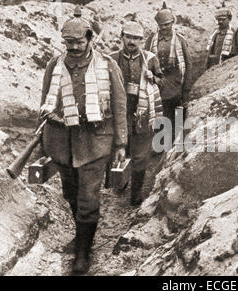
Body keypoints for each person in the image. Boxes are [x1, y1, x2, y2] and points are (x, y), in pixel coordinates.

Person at [38, 15, 128, 274]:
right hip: (61, 143)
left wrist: (121, 143)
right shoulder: (54, 65)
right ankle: (82, 234)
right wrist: (43, 142)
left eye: (78, 42)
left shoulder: (108, 66)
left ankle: (83, 252)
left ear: (90, 38)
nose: (74, 48)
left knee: (88, 198)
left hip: (95, 143)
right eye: (68, 42)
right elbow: (45, 101)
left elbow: (120, 107)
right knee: (70, 193)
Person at [110, 19, 164, 206]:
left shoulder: (150, 59)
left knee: (141, 156)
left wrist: (153, 78)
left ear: (142, 41)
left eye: (137, 38)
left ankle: (136, 194)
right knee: (119, 149)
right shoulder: (112, 59)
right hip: (119, 113)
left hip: (142, 113)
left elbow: (161, 82)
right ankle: (120, 181)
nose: (132, 42)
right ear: (122, 38)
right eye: (129, 37)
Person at [145, 2, 192, 141]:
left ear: (173, 22)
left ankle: (175, 147)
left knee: (177, 119)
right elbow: (146, 62)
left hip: (176, 87)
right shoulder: (151, 40)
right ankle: (160, 147)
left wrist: (186, 90)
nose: (164, 27)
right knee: (159, 117)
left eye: (167, 24)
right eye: (162, 25)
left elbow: (188, 66)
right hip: (158, 86)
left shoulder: (180, 40)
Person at [205, 3, 238, 69]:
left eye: (223, 19)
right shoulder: (215, 34)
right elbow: (209, 54)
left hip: (229, 68)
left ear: (229, 19)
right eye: (219, 19)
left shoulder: (235, 33)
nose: (220, 22)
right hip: (215, 68)